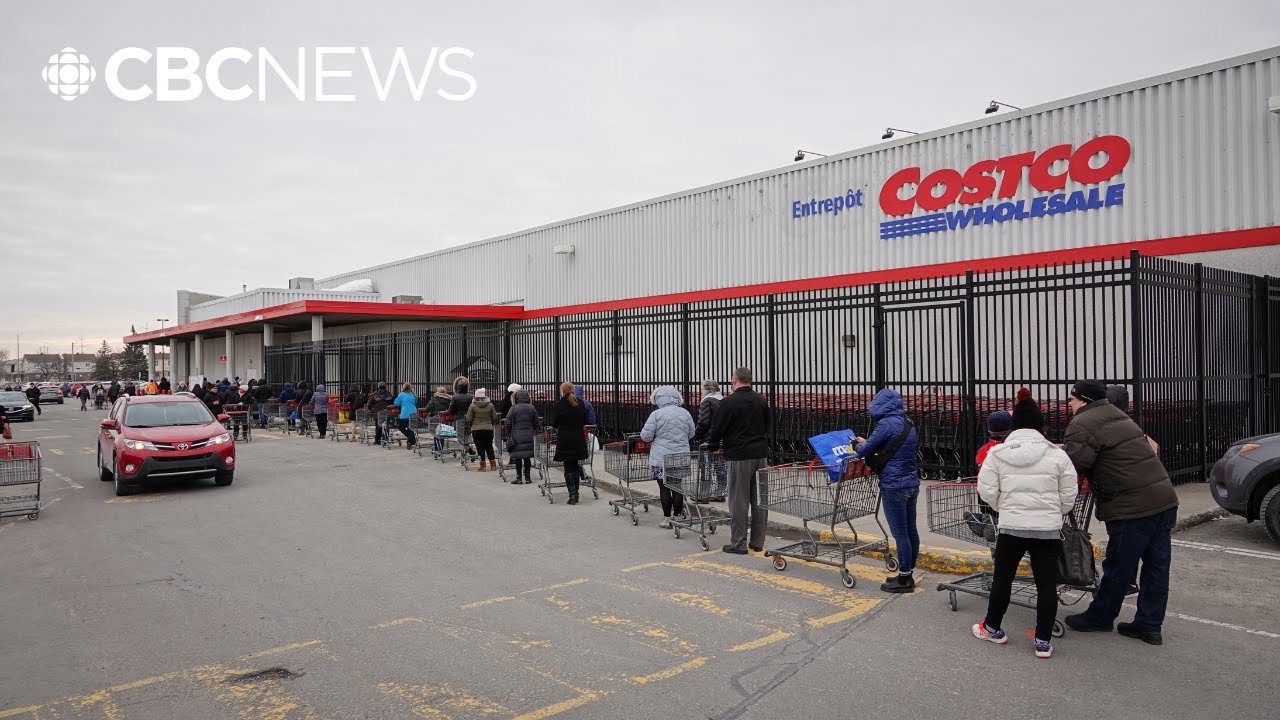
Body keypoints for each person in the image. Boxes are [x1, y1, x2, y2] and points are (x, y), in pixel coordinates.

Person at [1062, 379, 1179, 646]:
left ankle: (1100, 617)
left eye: (1072, 399)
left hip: (1131, 506)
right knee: (1156, 567)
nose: (1069, 403)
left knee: (1118, 566)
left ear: (1083, 401)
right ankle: (1149, 624)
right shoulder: (1118, 415)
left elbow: (1074, 465)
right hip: (1163, 500)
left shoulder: (1082, 423)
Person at [972, 388, 1077, 659]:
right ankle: (1042, 641)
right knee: (1045, 583)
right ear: (1041, 425)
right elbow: (1069, 493)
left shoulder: (997, 454)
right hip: (1047, 529)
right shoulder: (1056, 454)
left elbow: (986, 490)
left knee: (1003, 578)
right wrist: (1057, 512)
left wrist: (1003, 508)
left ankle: (993, 627)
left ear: (1014, 425)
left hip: (1011, 527)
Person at [854, 388, 920, 593]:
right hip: (911, 483)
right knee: (910, 529)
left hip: (893, 485)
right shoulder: (908, 423)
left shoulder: (884, 424)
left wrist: (856, 445)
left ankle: (904, 578)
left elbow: (865, 451)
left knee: (900, 533)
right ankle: (908, 571)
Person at [705, 367, 771, 555]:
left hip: (739, 455)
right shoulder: (761, 400)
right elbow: (768, 426)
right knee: (759, 500)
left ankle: (738, 543)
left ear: (734, 381)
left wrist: (713, 445)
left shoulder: (730, 402)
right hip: (760, 455)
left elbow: (717, 427)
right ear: (750, 380)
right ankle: (757, 541)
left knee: (738, 500)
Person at [640, 385, 696, 528]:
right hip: (680, 457)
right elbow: (691, 434)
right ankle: (677, 516)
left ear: (659, 399)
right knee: (677, 486)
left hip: (660, 459)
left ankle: (667, 518)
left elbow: (645, 436)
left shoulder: (656, 415)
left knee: (664, 488)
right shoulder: (685, 413)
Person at [549, 381, 590, 505]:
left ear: (562, 391)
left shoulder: (559, 405)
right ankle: (576, 493)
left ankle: (572, 495)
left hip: (565, 439)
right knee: (576, 465)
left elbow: (555, 423)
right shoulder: (580, 403)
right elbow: (585, 420)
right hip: (578, 438)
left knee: (568, 467)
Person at [504, 389, 541, 484]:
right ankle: (528, 478)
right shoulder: (531, 407)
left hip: (517, 436)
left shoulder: (513, 408)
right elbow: (537, 422)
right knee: (527, 457)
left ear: (516, 398)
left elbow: (507, 421)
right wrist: (535, 432)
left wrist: (509, 432)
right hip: (529, 435)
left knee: (518, 457)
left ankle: (519, 478)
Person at [466, 388, 499, 470]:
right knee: (489, 446)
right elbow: (495, 417)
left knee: (480, 447)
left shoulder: (472, 406)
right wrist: (490, 422)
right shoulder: (490, 405)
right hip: (488, 429)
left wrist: (471, 425)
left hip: (476, 430)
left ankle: (483, 466)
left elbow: (468, 419)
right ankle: (493, 465)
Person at [450, 377, 476, 459]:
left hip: (459, 419)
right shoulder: (470, 397)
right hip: (468, 419)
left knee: (460, 436)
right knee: (467, 436)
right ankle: (469, 450)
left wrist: (454, 413)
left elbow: (452, 409)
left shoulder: (455, 397)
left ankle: (469, 451)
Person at [393, 382, 419, 449]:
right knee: (411, 428)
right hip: (413, 414)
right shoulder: (414, 395)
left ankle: (410, 441)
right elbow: (416, 403)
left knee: (400, 427)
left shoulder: (401, 394)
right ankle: (411, 440)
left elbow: (396, 403)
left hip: (404, 414)